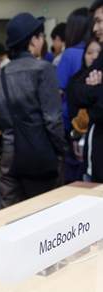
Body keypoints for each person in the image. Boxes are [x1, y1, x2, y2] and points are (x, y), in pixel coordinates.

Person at [0, 13, 66, 206]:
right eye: (41, 37)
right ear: (33, 40)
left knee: (11, 215)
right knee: (44, 213)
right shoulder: (43, 69)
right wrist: (63, 149)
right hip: (40, 153)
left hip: (9, 157)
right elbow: (52, 120)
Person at [69, 0, 103, 183]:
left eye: (99, 21)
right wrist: (97, 92)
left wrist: (94, 92)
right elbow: (75, 90)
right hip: (95, 160)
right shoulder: (102, 58)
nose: (96, 28)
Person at [56, 7, 91, 183]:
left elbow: (58, 91)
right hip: (91, 120)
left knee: (72, 173)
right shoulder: (95, 51)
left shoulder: (69, 54)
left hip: (72, 122)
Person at [67, 38, 101, 170]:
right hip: (78, 138)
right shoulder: (76, 81)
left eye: (98, 52)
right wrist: (75, 136)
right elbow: (71, 113)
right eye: (89, 52)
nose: (94, 56)